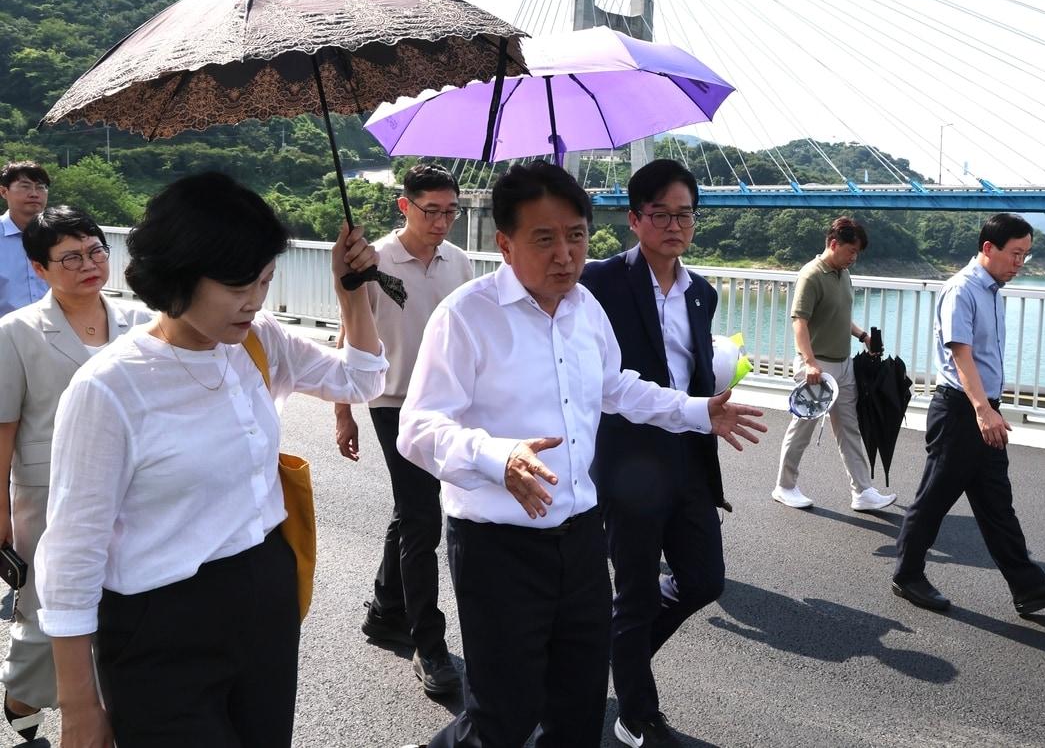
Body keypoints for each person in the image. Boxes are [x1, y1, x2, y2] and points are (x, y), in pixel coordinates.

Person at [397, 161, 766, 748]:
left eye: (576, 236)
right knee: (502, 715)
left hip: (581, 538)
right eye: (545, 238)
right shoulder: (467, 316)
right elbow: (416, 429)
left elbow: (615, 387)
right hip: (498, 546)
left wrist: (699, 411)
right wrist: (496, 456)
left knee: (578, 705)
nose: (565, 255)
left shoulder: (584, 309)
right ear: (505, 242)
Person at [36, 172, 387, 748]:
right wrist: (79, 707)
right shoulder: (109, 388)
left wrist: (353, 295)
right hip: (162, 626)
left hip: (264, 600)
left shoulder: (255, 340)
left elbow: (361, 379)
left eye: (266, 281)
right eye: (237, 284)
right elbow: (72, 555)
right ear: (178, 275)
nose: (254, 301)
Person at [579, 160, 724, 747]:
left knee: (704, 581)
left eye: (684, 213)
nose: (674, 224)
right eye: (660, 214)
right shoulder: (599, 281)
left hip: (686, 456)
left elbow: (693, 371)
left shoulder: (702, 294)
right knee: (633, 593)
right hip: (626, 461)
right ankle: (637, 712)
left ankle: (619, 653)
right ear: (635, 219)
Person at [0, 207, 150, 741]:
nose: (88, 264)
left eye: (96, 251)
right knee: (47, 611)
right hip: (48, 494)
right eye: (70, 257)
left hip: (134, 488)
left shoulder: (141, 321)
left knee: (122, 604)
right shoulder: (15, 333)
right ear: (40, 269)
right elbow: (5, 428)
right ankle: (23, 695)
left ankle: (107, 712)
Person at [891, 214, 1045, 616]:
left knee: (996, 503)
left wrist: (989, 409)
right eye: (1015, 254)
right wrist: (982, 410)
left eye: (1025, 256)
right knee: (934, 498)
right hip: (962, 410)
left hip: (982, 409)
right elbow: (962, 356)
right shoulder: (963, 289)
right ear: (988, 248)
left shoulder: (992, 290)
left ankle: (1029, 587)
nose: (1019, 264)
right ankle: (907, 575)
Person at [334, 164, 472, 696]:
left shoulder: (459, 264)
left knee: (409, 510)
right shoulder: (373, 261)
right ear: (404, 206)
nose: (441, 221)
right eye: (430, 210)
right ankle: (429, 646)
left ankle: (386, 608)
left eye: (450, 211)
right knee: (421, 519)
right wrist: (343, 412)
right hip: (393, 403)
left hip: (447, 404)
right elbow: (350, 338)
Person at [771, 216, 894, 512]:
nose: (854, 258)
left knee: (849, 429)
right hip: (817, 367)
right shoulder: (811, 275)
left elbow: (839, 314)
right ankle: (784, 486)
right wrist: (810, 363)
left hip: (844, 364)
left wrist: (862, 334)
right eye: (851, 251)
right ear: (833, 243)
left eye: (857, 254)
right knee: (803, 427)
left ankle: (862, 491)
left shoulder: (842, 273)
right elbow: (799, 321)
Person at [0, 163, 52, 317]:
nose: (34, 194)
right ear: (4, 191)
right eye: (25, 186)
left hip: (54, 334)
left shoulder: (59, 237)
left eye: (41, 187)